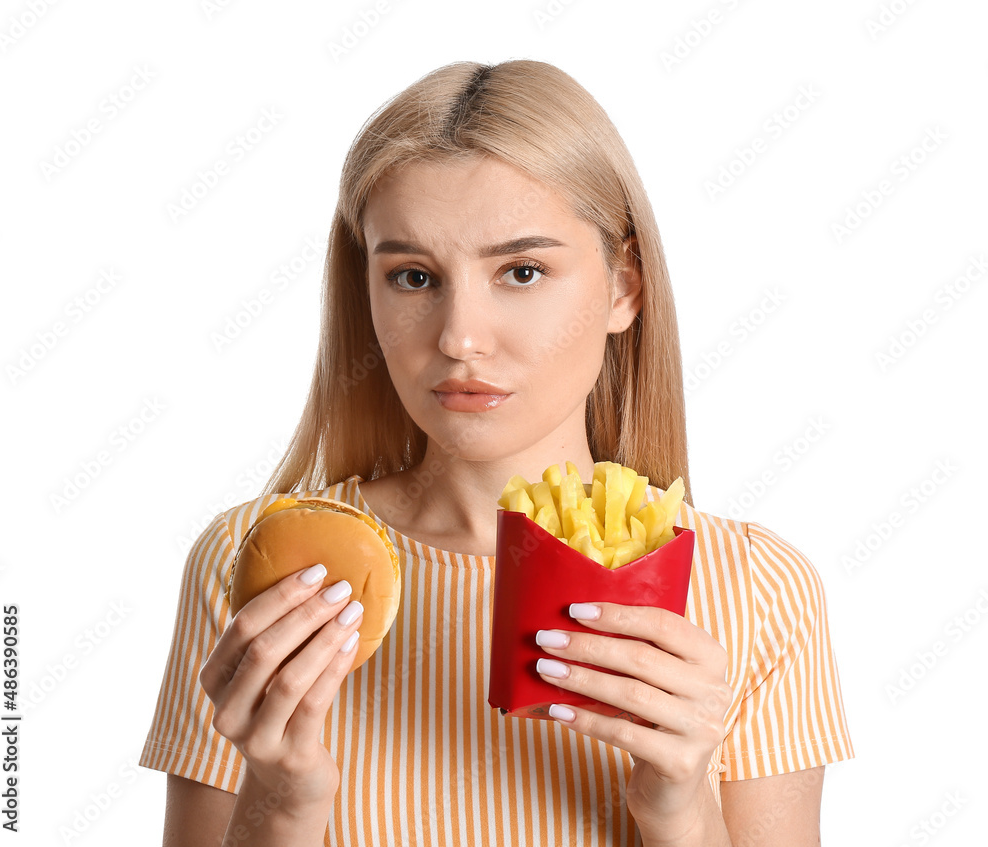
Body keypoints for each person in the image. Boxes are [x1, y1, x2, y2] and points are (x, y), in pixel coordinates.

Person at [140, 59, 854, 846]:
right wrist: (283, 799)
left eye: (521, 270)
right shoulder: (260, 569)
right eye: (414, 276)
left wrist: (679, 805)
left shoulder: (758, 591)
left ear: (625, 287)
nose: (460, 337)